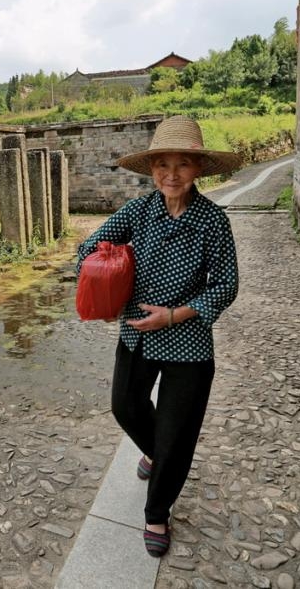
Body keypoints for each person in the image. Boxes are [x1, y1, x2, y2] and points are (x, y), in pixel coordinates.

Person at [76, 115, 240, 557]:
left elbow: (224, 285)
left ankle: (157, 511)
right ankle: (160, 454)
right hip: (136, 335)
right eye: (162, 164)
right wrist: (104, 280)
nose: (171, 174)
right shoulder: (138, 211)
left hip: (188, 341)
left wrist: (173, 316)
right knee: (125, 406)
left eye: (182, 164)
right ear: (151, 170)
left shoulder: (213, 222)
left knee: (177, 432)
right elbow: (87, 249)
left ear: (198, 169)